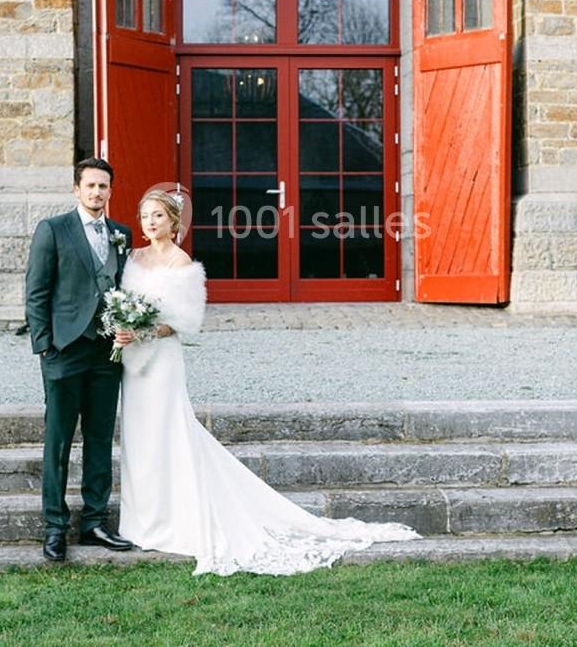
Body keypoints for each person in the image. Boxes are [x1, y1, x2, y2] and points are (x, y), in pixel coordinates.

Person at [113, 189, 420, 576]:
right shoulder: (133, 259)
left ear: (174, 221)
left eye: (158, 215)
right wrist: (122, 327)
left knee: (168, 433)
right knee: (139, 438)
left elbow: (183, 321)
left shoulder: (181, 261)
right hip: (131, 362)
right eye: (145, 216)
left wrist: (143, 330)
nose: (150, 222)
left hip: (162, 360)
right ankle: (141, 521)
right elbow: (121, 302)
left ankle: (175, 520)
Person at [24, 158, 134, 562]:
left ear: (110, 191)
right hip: (65, 351)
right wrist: (45, 347)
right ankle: (54, 527)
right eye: (90, 186)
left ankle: (94, 522)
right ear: (76, 189)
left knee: (101, 438)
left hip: (107, 352)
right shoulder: (52, 230)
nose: (97, 193)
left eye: (103, 186)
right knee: (57, 442)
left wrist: (128, 328)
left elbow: (126, 290)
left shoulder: (122, 234)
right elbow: (36, 292)